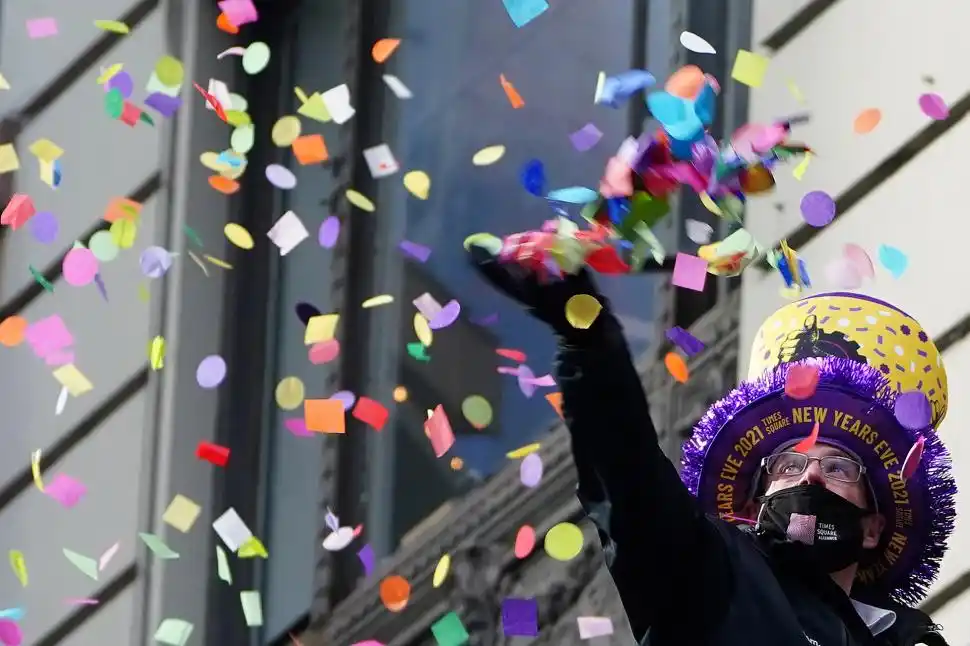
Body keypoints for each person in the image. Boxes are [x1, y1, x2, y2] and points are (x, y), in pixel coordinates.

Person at [467, 245, 955, 646]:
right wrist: (590, 343)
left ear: (872, 527)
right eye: (787, 465)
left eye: (839, 468)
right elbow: (631, 483)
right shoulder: (711, 575)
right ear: (756, 500)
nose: (809, 476)